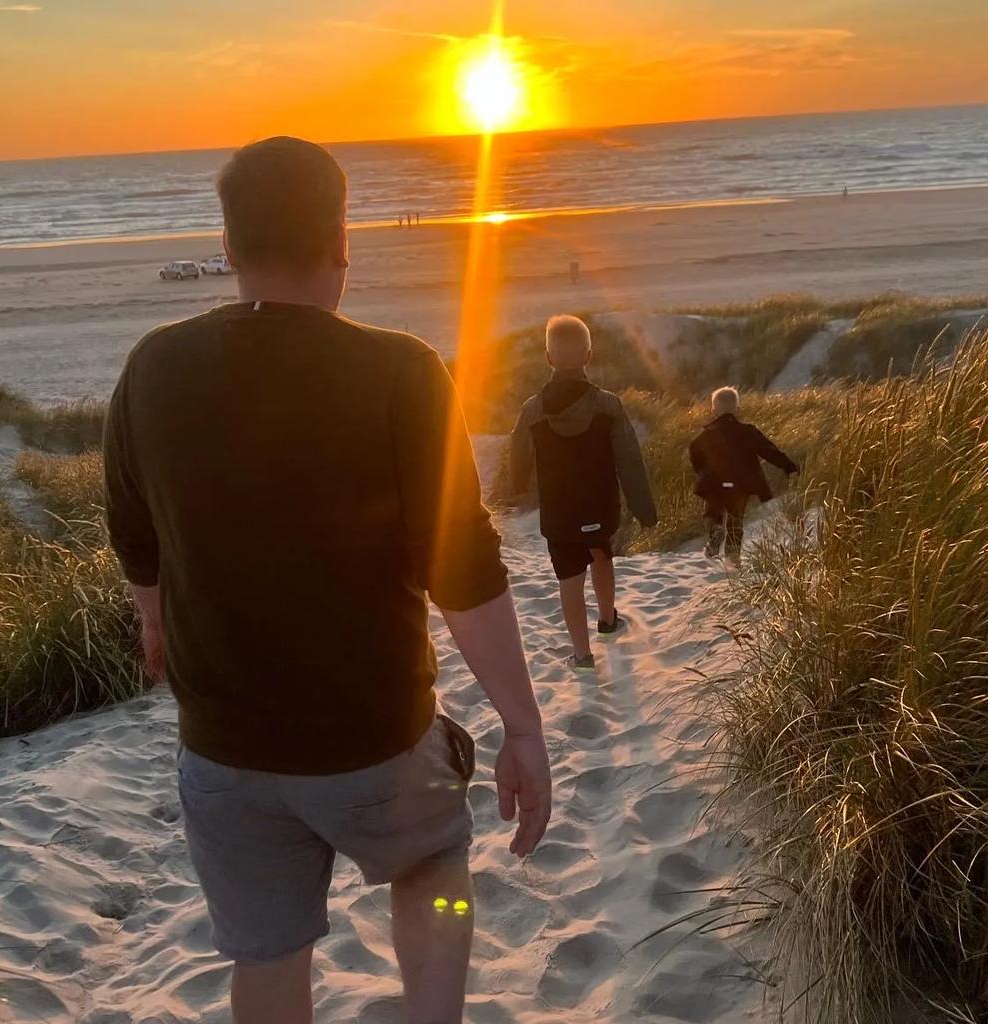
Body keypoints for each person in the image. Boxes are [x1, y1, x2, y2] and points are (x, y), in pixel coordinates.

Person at [103, 136, 551, 1024]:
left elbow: (136, 536)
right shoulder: (401, 370)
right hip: (374, 741)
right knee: (431, 867)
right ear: (343, 239)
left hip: (224, 748)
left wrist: (155, 627)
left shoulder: (153, 366)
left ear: (228, 247)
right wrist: (521, 725)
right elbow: (461, 566)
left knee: (268, 956)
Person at [509, 315, 658, 671]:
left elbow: (517, 456)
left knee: (569, 578)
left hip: (560, 513)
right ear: (588, 356)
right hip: (600, 505)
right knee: (601, 553)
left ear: (548, 358)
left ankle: (582, 654)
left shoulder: (532, 409)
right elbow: (630, 461)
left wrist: (519, 487)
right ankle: (608, 620)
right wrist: (644, 508)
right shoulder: (608, 405)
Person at [688, 386, 798, 566]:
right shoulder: (748, 431)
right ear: (737, 409)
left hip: (714, 482)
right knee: (735, 520)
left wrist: (701, 472)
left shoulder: (706, 435)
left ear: (714, 409)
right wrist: (789, 466)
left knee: (711, 513)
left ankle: (715, 530)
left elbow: (694, 452)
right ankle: (733, 559)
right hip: (740, 484)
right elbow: (769, 451)